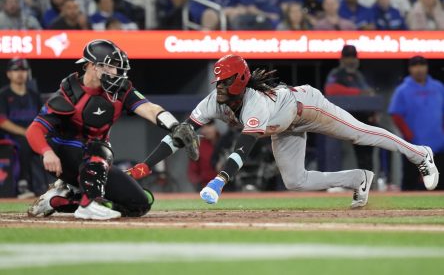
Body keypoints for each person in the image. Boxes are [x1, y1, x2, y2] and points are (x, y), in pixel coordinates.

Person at [133, 54, 439, 208]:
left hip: (307, 108)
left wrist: (218, 181)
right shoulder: (215, 100)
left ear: (238, 81)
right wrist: (146, 165)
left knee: (361, 133)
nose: (219, 87)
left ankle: (419, 154)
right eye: (218, 82)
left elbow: (244, 146)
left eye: (225, 82)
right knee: (295, 181)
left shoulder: (255, 103)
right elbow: (181, 134)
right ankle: (358, 178)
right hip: (283, 126)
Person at [26, 39, 199, 220]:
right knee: (99, 147)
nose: (115, 72)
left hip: (96, 161)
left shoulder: (120, 90)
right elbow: (34, 130)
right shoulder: (69, 94)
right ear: (92, 65)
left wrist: (174, 125)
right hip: (62, 157)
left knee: (140, 203)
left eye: (117, 67)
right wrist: (47, 153)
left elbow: (149, 108)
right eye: (110, 66)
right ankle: (89, 203)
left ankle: (61, 200)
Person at [388, 56, 444, 190]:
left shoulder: (438, 87)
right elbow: (396, 115)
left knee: (440, 185)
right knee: (411, 184)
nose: (419, 69)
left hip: (438, 146)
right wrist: (409, 137)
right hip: (413, 148)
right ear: (410, 69)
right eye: (415, 66)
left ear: (427, 67)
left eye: (422, 65)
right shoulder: (402, 90)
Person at [324, 45, 378, 176]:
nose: (351, 60)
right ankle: (335, 183)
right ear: (342, 59)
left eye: (353, 57)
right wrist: (359, 92)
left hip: (362, 119)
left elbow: (370, 96)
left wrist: (374, 112)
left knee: (366, 152)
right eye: (348, 57)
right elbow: (331, 90)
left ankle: (366, 181)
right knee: (339, 153)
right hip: (341, 120)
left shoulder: (359, 76)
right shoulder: (336, 73)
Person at [0, 58, 46, 198]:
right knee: (24, 141)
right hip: (10, 137)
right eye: (15, 70)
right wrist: (26, 132)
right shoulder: (3, 95)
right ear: (9, 74)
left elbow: (43, 117)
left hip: (33, 133)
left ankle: (49, 186)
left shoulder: (34, 95)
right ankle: (22, 183)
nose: (20, 73)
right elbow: (2, 121)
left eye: (23, 70)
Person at [187, 121, 219, 191]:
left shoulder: (226, 142)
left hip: (227, 186)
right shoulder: (198, 146)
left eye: (209, 126)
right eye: (203, 128)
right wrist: (198, 184)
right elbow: (192, 171)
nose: (205, 130)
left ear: (216, 126)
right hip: (206, 187)